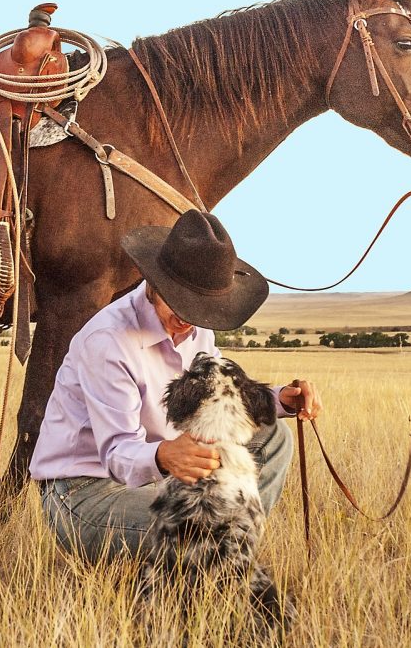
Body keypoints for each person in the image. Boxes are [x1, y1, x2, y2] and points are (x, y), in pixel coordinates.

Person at [30, 210, 323, 563]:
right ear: (154, 282)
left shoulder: (198, 327)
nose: (188, 319)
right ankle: (215, 557)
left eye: (201, 308)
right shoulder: (108, 341)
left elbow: (216, 398)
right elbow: (117, 455)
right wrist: (164, 455)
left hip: (162, 474)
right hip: (85, 492)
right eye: (181, 302)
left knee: (274, 438)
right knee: (203, 531)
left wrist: (281, 399)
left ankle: (228, 547)